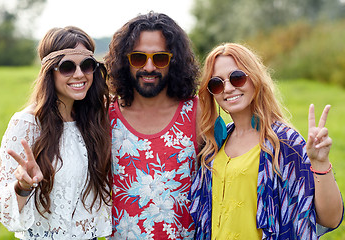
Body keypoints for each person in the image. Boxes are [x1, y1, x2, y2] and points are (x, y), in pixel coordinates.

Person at [188, 43, 344, 239]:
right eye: (216, 84)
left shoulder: (284, 142)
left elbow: (330, 219)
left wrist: (320, 162)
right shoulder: (215, 144)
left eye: (237, 78)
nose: (227, 88)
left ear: (255, 78)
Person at [0, 26, 112, 239]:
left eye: (87, 65)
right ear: (49, 71)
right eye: (66, 67)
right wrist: (23, 186)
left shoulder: (95, 118)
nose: (79, 74)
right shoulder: (27, 123)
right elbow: (1, 208)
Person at [104, 11, 201, 239]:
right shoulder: (106, 114)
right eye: (138, 58)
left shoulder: (198, 111)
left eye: (160, 58)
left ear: (173, 60)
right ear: (124, 61)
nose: (148, 67)